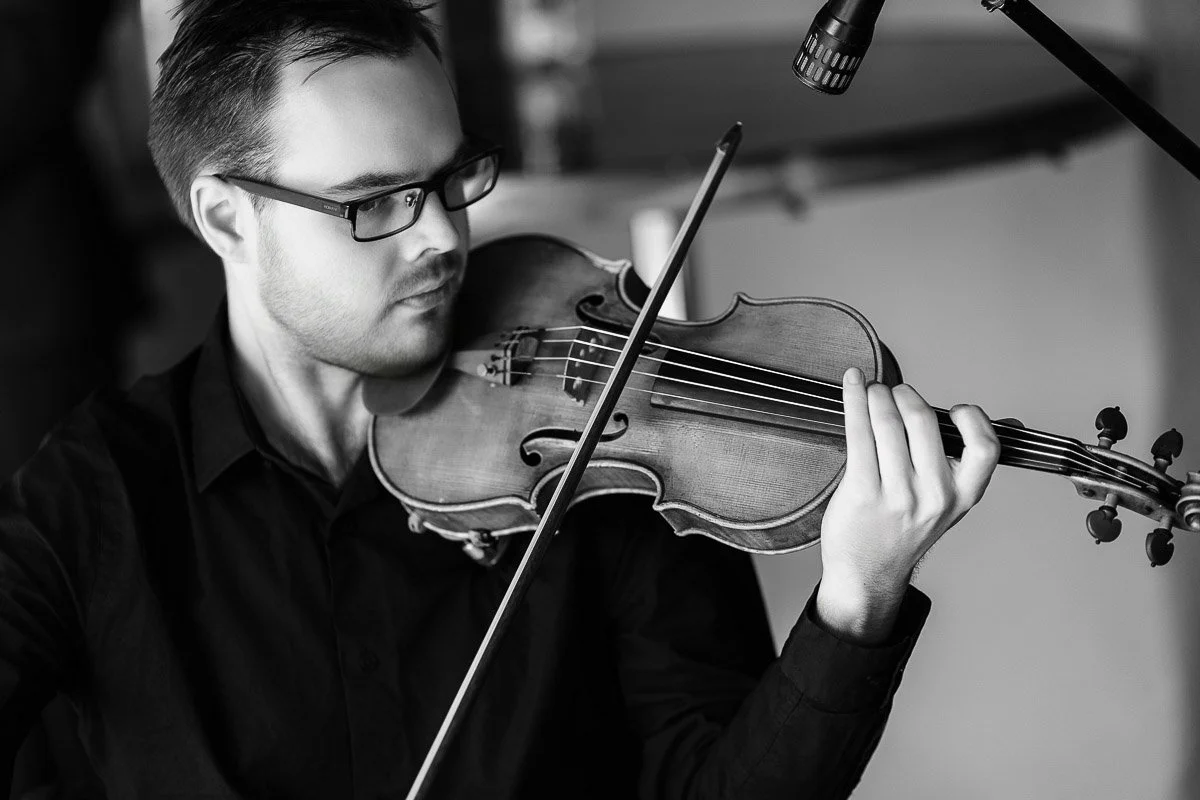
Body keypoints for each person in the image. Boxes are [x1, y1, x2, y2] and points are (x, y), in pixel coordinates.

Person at [0, 0, 1001, 797]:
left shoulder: (605, 420)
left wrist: (854, 604)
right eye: (377, 200)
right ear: (226, 217)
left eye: (451, 178)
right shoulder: (99, 496)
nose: (441, 236)